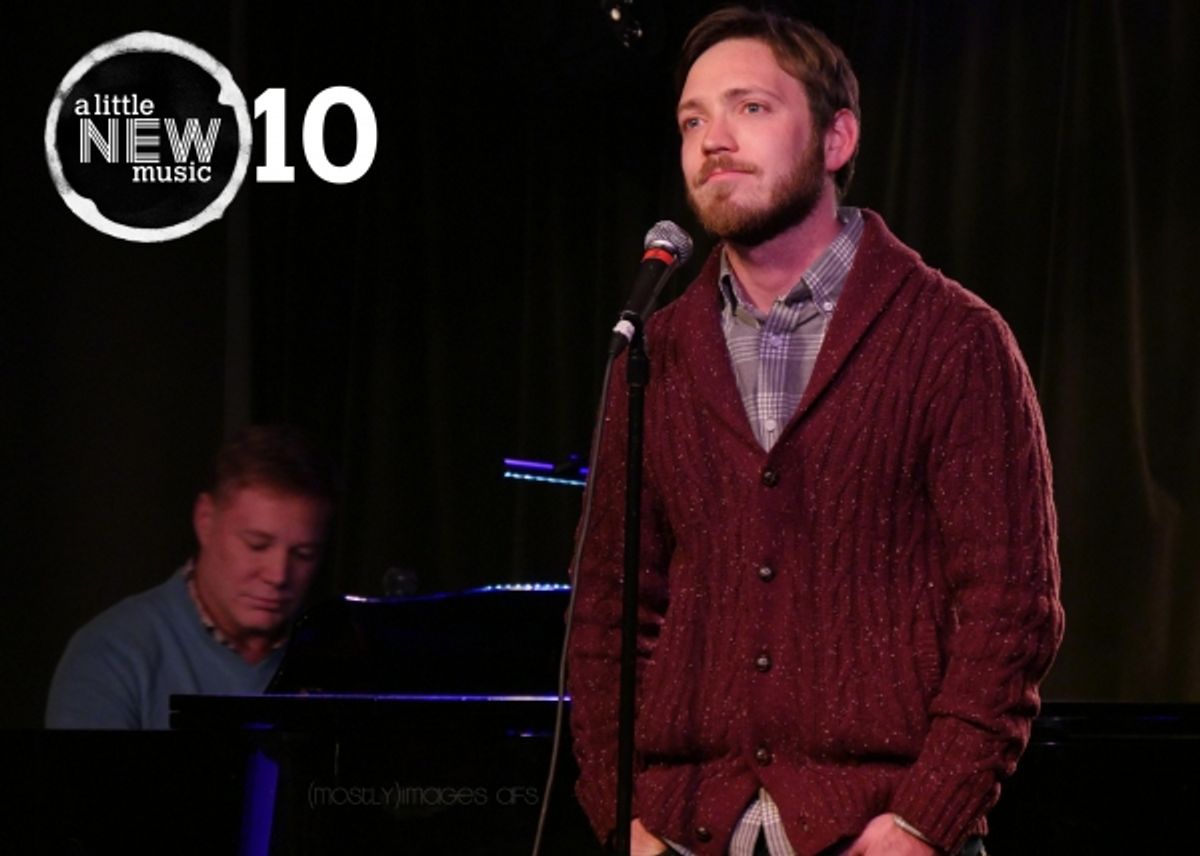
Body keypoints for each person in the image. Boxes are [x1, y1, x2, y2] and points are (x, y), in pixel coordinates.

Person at [567, 7, 1064, 856]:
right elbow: (610, 612)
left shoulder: (952, 341)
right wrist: (625, 817)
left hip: (877, 830)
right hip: (689, 828)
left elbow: (1010, 609)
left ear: (837, 140)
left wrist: (921, 821)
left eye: (749, 108)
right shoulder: (659, 352)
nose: (713, 139)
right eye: (693, 120)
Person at [46, 424, 336, 730]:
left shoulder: (338, 657)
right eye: (257, 545)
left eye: (304, 554)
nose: (278, 575)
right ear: (205, 521)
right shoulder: (111, 655)